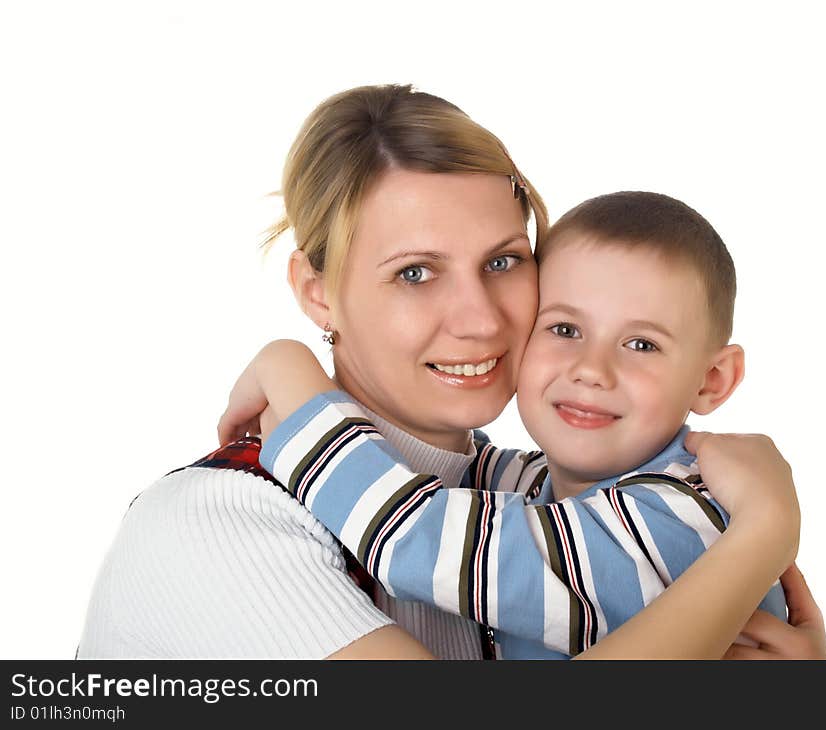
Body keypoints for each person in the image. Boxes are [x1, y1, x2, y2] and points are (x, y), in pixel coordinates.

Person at [77, 84, 826, 659]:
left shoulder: (527, 491)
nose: (481, 318)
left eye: (504, 261)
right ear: (316, 291)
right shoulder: (218, 526)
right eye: (414, 274)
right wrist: (766, 530)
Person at [220, 191, 787, 659]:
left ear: (712, 380)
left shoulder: (680, 516)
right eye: (564, 329)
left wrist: (290, 371)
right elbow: (454, 467)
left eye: (641, 344)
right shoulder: (543, 485)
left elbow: (415, 538)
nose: (592, 370)